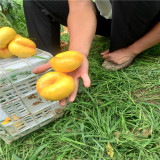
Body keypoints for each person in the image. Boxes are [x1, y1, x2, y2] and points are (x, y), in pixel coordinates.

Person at [23, 0, 160, 106]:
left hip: (148, 21)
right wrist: (76, 56)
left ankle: (124, 44)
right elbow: (81, 6)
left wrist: (132, 49)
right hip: (111, 18)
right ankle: (47, 65)